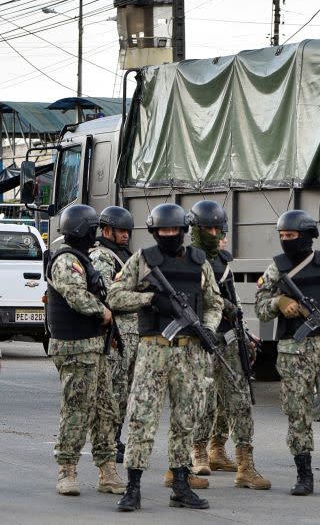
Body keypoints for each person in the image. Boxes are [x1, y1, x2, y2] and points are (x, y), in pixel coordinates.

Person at [109, 203, 224, 511]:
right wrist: (150, 299)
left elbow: (214, 303)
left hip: (191, 353)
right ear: (155, 232)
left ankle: (181, 484)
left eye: (174, 230)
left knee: (186, 419)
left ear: (185, 231)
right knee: (141, 417)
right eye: (163, 231)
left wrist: (210, 329)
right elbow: (114, 295)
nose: (169, 235)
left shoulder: (200, 262)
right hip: (154, 349)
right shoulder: (143, 260)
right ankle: (133, 486)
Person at [254, 210, 320, 497]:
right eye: (282, 237)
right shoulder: (276, 269)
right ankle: (304, 476)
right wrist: (279, 301)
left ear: (307, 236)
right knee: (297, 412)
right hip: (293, 352)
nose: (286, 241)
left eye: (291, 236)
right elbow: (259, 307)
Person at [189, 200, 270, 490]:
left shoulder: (223, 262)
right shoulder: (189, 260)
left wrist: (245, 333)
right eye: (208, 228)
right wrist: (224, 306)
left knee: (238, 400)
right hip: (202, 340)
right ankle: (198, 453)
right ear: (196, 229)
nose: (214, 233)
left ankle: (240, 462)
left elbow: (234, 302)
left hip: (229, 338)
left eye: (217, 228)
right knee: (204, 400)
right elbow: (198, 296)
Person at [47, 204, 125, 496]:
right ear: (82, 229)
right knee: (77, 409)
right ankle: (66, 469)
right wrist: (103, 313)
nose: (95, 234)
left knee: (106, 408)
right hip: (75, 347)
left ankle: (107, 470)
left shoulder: (83, 259)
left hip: (94, 346)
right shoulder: (66, 260)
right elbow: (76, 296)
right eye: (92, 228)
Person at [88, 206, 137, 465]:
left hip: (130, 336)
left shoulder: (125, 255)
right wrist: (141, 298)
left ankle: (115, 438)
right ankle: (107, 441)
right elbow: (108, 295)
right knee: (113, 391)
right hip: (115, 336)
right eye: (120, 231)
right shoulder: (102, 257)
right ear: (107, 230)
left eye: (127, 231)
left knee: (124, 391)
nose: (125, 235)